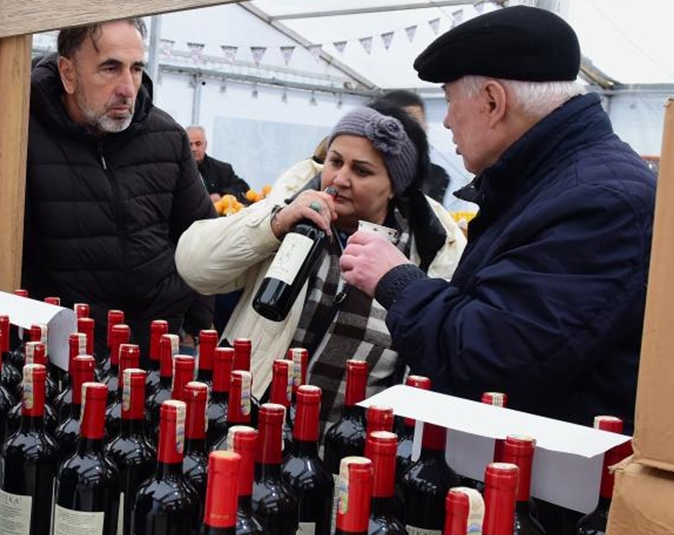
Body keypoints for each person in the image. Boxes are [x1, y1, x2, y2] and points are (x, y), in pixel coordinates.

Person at [340, 6, 656, 431]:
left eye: (450, 102)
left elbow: (492, 360)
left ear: (492, 101)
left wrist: (398, 280)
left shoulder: (599, 201)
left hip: (550, 479)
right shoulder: (550, 181)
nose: (447, 121)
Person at [176, 106, 466, 421]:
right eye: (336, 161)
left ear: (395, 186)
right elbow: (194, 265)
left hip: (354, 453)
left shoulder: (427, 252)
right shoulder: (289, 211)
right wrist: (272, 225)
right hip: (259, 431)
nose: (341, 179)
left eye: (362, 170)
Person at [23, 19, 216, 356]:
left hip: (156, 348)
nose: (128, 87)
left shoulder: (167, 137)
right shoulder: (23, 134)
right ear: (68, 73)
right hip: (64, 353)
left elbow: (202, 235)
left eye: (136, 68)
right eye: (110, 68)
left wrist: (196, 325)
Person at [371, 89, 453, 205]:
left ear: (425, 127)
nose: (411, 132)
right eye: (402, 124)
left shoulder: (437, 176)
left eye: (416, 124)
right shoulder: (371, 173)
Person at [187, 125, 250, 202]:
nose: (194, 149)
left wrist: (221, 195)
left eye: (198, 144)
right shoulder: (176, 169)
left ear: (205, 145)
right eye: (190, 144)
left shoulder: (222, 169)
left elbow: (244, 188)